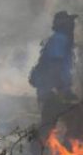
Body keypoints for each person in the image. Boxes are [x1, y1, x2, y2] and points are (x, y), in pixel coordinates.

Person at [29, 11, 77, 148]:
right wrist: (61, 88)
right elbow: (55, 65)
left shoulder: (61, 39)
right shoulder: (59, 39)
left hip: (52, 88)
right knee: (53, 123)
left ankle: (38, 152)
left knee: (53, 122)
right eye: (70, 23)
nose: (73, 26)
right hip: (52, 90)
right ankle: (35, 153)